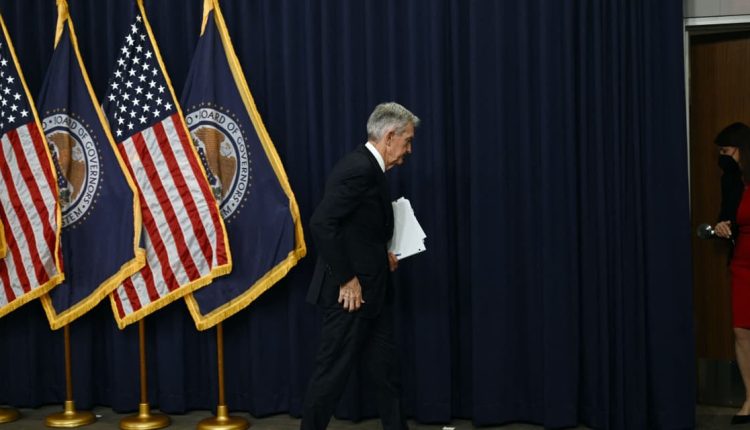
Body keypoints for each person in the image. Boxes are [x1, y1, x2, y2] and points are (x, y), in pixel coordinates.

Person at [301, 102, 419, 430]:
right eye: (408, 141)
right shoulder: (359, 168)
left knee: (386, 374)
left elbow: (355, 229)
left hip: (373, 293)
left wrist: (382, 254)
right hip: (351, 298)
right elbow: (322, 223)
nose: (409, 150)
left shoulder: (370, 168)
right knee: (330, 377)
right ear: (390, 137)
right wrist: (347, 279)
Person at [713, 122, 750, 424]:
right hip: (741, 263)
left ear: (741, 149)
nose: (722, 157)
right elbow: (725, 216)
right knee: (741, 331)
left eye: (726, 151)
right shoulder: (730, 181)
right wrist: (723, 226)